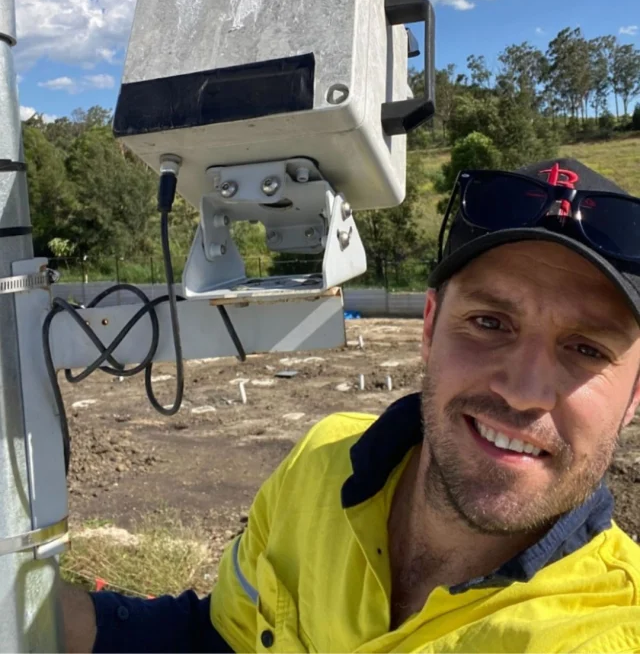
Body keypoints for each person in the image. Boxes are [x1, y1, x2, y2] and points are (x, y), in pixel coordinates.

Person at [62, 158, 640, 653]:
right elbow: (224, 638)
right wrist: (52, 619)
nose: (522, 389)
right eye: (489, 322)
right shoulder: (321, 462)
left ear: (635, 393)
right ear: (431, 326)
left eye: (585, 348)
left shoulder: (608, 631)